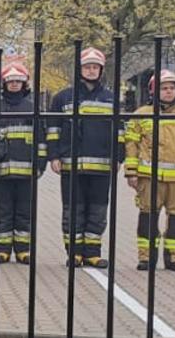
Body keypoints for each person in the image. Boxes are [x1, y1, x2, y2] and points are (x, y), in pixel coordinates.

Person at [123, 69, 175, 272]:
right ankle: (146, 258)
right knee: (147, 217)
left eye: (171, 88)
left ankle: (174, 259)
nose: (168, 92)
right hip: (148, 178)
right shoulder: (141, 115)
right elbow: (131, 145)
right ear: (154, 92)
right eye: (163, 88)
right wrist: (131, 172)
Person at [47, 47, 121, 268]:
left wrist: (118, 157)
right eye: (87, 67)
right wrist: (54, 156)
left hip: (101, 166)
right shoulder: (62, 97)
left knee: (97, 211)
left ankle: (92, 253)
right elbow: (53, 129)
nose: (91, 71)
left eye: (95, 67)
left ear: (101, 70)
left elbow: (120, 131)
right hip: (71, 165)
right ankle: (75, 253)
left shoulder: (111, 98)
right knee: (73, 211)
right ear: (80, 69)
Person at [0, 62, 44, 264]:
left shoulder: (33, 109)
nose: (14, 84)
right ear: (4, 84)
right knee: (3, 212)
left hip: (27, 172)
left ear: (25, 83)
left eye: (18, 81)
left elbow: (41, 140)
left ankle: (23, 250)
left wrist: (40, 164)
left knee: (24, 213)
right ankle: (2, 250)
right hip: (1, 171)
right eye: (11, 81)